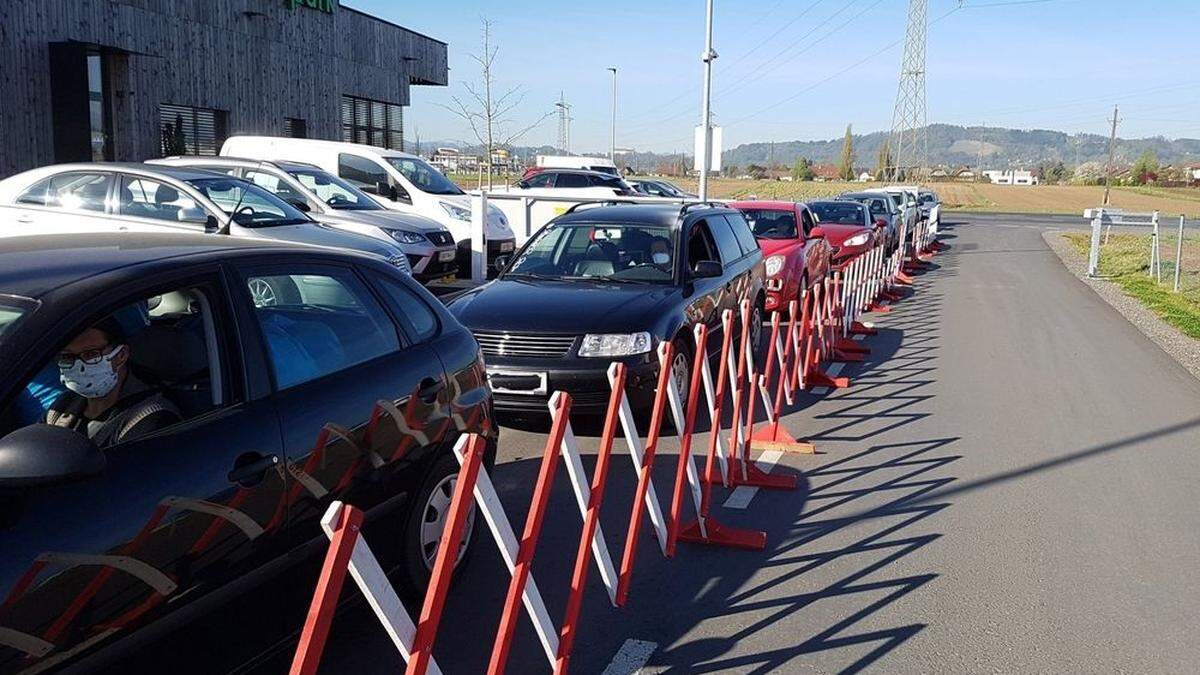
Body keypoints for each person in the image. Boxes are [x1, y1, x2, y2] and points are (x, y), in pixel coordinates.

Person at [46, 318, 181, 448]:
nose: (78, 366)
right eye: (68, 356)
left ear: (121, 355)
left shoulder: (149, 417)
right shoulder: (62, 406)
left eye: (91, 354)